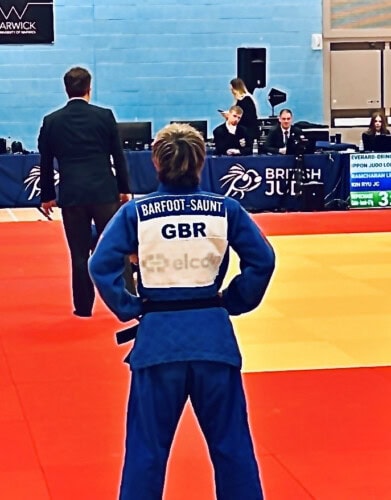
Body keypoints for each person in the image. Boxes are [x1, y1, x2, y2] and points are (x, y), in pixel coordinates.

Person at [88, 122, 275, 499]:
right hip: (213, 338)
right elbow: (262, 261)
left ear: (156, 162)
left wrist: (131, 307)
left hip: (158, 341)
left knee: (146, 452)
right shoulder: (225, 210)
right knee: (232, 448)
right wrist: (232, 301)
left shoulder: (136, 213)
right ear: (201, 162)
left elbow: (100, 265)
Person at [38, 66, 132, 317]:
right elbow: (118, 157)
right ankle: (125, 301)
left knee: (79, 254)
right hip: (104, 192)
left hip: (73, 195)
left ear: (66, 89)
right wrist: (124, 189)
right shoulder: (104, 116)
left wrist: (47, 196)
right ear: (89, 89)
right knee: (115, 248)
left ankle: (83, 307)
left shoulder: (52, 121)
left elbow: (45, 162)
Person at [221, 78, 259, 142]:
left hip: (247, 132)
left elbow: (248, 118)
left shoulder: (246, 100)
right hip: (242, 130)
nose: (231, 91)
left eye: (232, 89)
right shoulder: (239, 101)